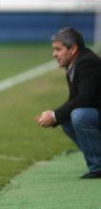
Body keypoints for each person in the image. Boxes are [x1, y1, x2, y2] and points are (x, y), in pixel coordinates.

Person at [36, 27, 101, 179]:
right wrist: (55, 116)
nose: (54, 54)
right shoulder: (76, 63)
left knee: (79, 115)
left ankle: (98, 166)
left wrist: (54, 115)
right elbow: (74, 100)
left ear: (73, 49)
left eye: (58, 49)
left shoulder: (87, 62)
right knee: (68, 118)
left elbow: (84, 99)